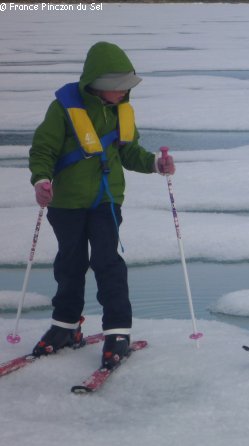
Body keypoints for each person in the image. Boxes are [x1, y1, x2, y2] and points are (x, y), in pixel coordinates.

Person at [28, 41, 175, 368]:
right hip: (66, 203)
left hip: (106, 202)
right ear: (96, 84)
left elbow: (130, 152)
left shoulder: (122, 113)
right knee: (70, 262)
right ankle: (65, 327)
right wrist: (41, 180)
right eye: (117, 87)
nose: (123, 93)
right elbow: (43, 151)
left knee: (108, 262)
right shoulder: (63, 110)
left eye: (126, 87)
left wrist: (155, 164)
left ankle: (117, 332)